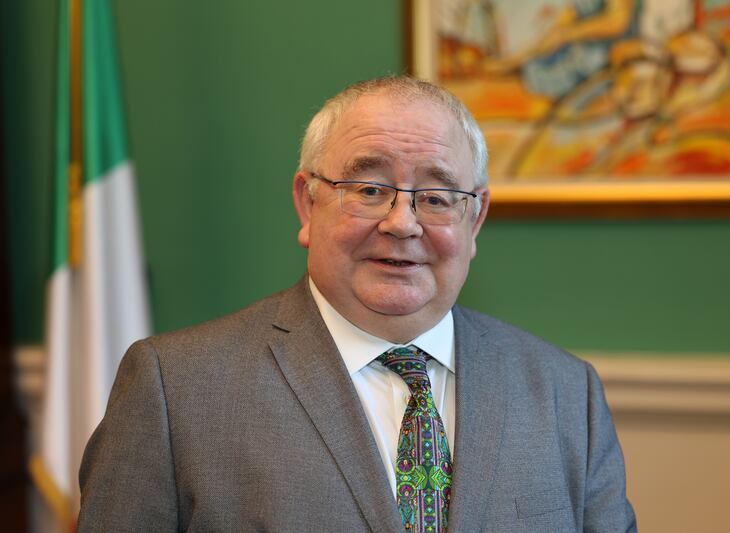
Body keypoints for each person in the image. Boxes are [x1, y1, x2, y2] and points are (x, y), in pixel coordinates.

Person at [77, 76, 636, 532]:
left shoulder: (566, 394)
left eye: (437, 197)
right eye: (368, 190)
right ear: (307, 203)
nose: (401, 223)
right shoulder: (176, 391)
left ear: (475, 219)